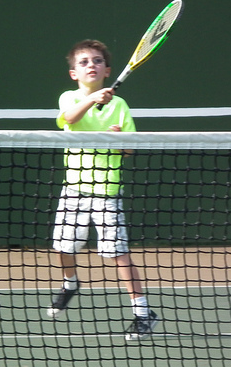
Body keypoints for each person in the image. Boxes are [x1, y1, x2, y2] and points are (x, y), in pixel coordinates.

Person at [47, 39, 159, 341]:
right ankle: (70, 284)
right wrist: (93, 99)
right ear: (74, 73)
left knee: (118, 254)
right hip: (74, 188)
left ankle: (143, 313)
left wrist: (117, 140)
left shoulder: (119, 106)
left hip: (106, 192)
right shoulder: (68, 98)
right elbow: (69, 119)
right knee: (62, 248)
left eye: (97, 61)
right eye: (84, 62)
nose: (91, 65)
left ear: (107, 70)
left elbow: (129, 150)